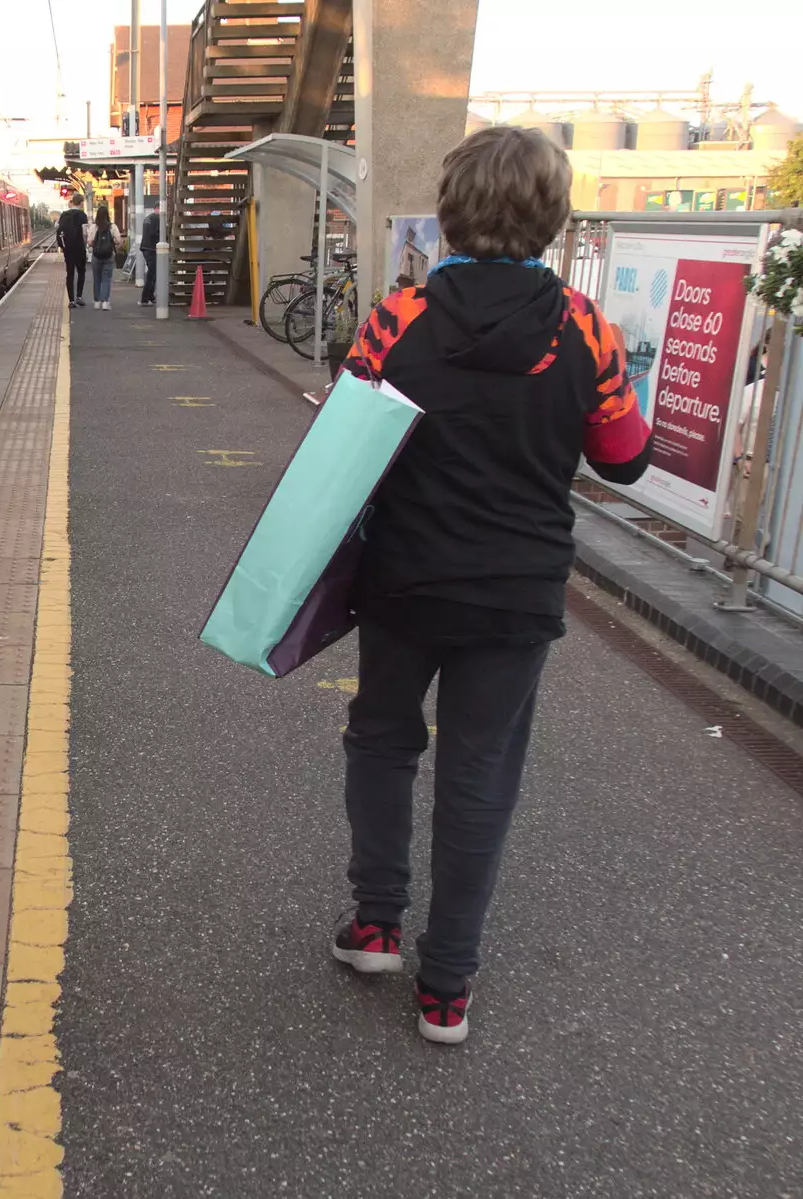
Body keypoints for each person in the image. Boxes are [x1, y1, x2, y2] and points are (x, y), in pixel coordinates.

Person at [330, 125, 652, 1045]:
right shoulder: (585, 327)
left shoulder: (398, 317)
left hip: (403, 581)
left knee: (384, 741)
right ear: (552, 215)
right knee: (480, 777)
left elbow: (346, 442)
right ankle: (447, 987)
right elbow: (626, 459)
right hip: (516, 593)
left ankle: (376, 926)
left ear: (454, 206)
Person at [56, 193, 89, 307]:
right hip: (79, 247)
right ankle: (79, 297)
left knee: (70, 273)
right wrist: (85, 244)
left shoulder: (64, 214)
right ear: (81, 203)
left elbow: (58, 228)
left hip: (68, 248)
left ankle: (71, 300)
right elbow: (84, 232)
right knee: (81, 271)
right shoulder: (82, 215)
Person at [88, 205, 121, 310]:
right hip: (109, 256)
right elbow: (118, 240)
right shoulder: (112, 227)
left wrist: (95, 244)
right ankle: (105, 302)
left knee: (97, 279)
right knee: (106, 279)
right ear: (107, 215)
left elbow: (89, 242)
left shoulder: (93, 227)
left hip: (96, 256)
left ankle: (97, 302)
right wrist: (111, 243)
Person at [140, 208, 160, 306]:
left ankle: (151, 296)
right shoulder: (157, 218)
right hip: (152, 249)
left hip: (145, 247)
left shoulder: (147, 218)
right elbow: (154, 233)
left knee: (153, 273)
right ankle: (145, 298)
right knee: (151, 274)